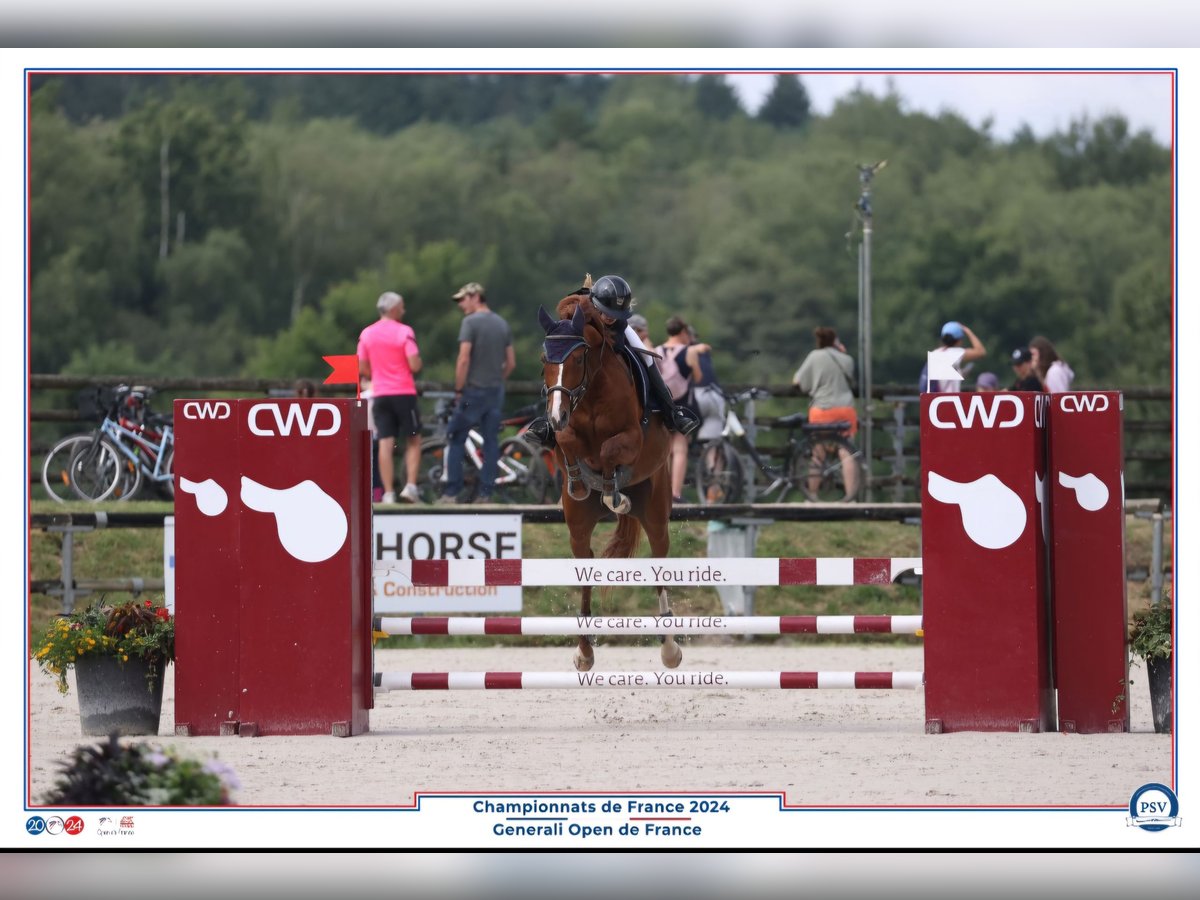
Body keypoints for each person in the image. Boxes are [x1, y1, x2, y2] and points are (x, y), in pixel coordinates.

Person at [524, 275, 700, 450]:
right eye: (607, 312)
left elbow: (616, 346)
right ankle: (546, 424)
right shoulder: (581, 309)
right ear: (596, 305)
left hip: (614, 339)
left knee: (647, 358)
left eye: (616, 314)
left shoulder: (619, 322)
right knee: (559, 361)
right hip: (578, 333)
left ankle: (672, 412)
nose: (610, 318)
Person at [438, 282, 515, 504]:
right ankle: (485, 493)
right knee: (491, 441)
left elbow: (463, 359)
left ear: (475, 297)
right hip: (495, 391)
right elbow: (510, 362)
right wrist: (497, 380)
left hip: (473, 391)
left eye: (463, 299)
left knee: (455, 437)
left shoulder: (470, 323)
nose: (461, 304)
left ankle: (452, 492)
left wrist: (459, 389)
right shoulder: (502, 324)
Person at [358, 291, 423, 504]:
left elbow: (363, 367)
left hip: (381, 394)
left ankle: (388, 493)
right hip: (403, 392)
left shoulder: (367, 334)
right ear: (394, 309)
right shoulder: (404, 332)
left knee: (385, 442)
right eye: (402, 307)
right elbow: (414, 364)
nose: (404, 311)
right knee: (413, 439)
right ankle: (410, 486)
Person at [793, 326, 859, 501]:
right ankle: (850, 496)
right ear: (836, 342)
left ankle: (812, 495)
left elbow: (799, 381)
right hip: (845, 410)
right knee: (846, 452)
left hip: (821, 410)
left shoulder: (814, 356)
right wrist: (842, 352)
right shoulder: (847, 359)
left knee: (818, 453)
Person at [655, 316, 702, 502]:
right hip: (684, 405)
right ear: (683, 331)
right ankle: (675, 493)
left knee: (664, 449)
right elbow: (698, 377)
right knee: (680, 449)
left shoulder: (657, 350)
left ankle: (661, 491)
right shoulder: (690, 352)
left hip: (665, 405)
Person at [920, 321, 987, 392]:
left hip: (936, 399)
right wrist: (968, 331)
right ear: (959, 340)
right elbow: (981, 352)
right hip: (949, 399)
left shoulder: (936, 353)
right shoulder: (956, 353)